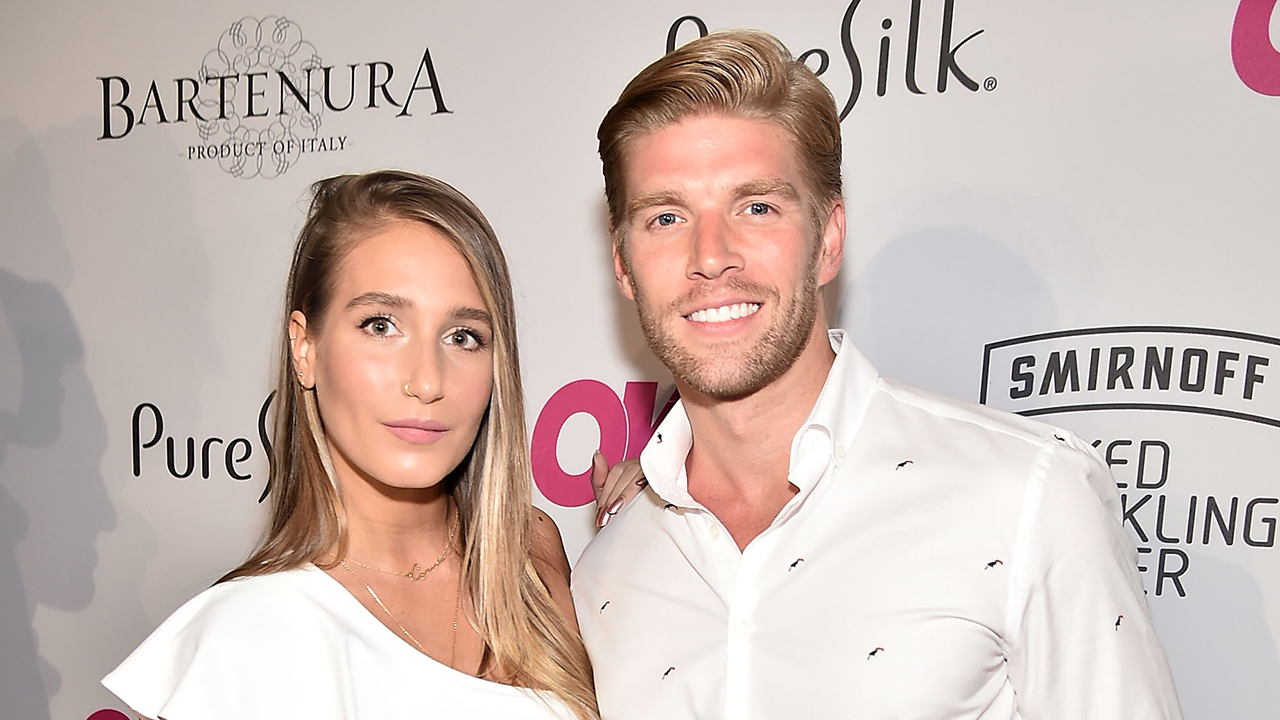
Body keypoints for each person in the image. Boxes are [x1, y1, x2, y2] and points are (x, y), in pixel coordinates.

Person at [574, 30, 1183, 719]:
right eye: (665, 216)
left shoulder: (1028, 498)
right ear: (623, 264)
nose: (711, 257)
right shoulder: (607, 575)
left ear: (829, 238)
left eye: (757, 208)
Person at [104, 171, 598, 720]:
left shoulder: (530, 553)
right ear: (304, 346)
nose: (428, 380)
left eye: (463, 337)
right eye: (381, 325)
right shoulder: (242, 639)